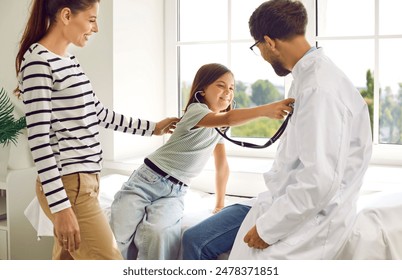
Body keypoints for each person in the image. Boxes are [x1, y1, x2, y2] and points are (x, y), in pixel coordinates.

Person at [182, 0, 372, 260]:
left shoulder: (318, 87)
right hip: (281, 201)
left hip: (306, 219)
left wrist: (267, 229)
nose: (261, 54)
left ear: (269, 42)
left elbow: (320, 180)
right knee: (196, 239)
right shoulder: (308, 79)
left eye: (258, 46)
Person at [15, 0, 177, 260]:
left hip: (86, 183)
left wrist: (154, 128)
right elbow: (39, 139)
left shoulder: (68, 61)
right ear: (66, 15)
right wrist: (61, 208)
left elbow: (98, 113)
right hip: (69, 188)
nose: (96, 28)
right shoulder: (38, 63)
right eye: (91, 19)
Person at [110, 62, 294, 260]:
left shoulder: (220, 127)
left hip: (175, 193)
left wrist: (220, 203)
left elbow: (222, 166)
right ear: (202, 90)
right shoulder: (196, 111)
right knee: (118, 237)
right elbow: (230, 118)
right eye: (220, 85)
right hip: (146, 181)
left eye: (232, 88)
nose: (228, 92)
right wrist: (266, 110)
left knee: (159, 234)